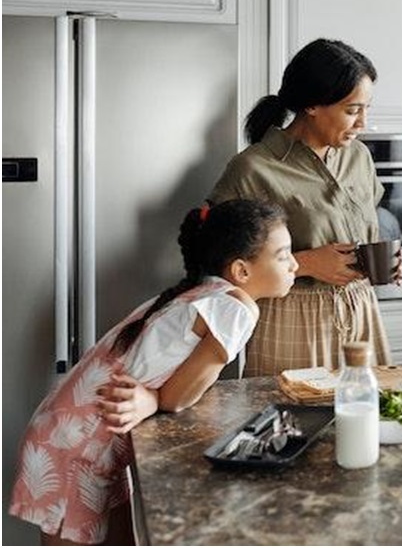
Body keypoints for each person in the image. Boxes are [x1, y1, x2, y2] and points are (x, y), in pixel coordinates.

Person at [8, 199, 297, 545]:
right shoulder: (235, 308)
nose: (295, 264)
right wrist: (155, 398)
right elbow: (177, 398)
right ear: (241, 271)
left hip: (71, 432)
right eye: (283, 255)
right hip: (77, 446)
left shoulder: (204, 291)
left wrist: (151, 398)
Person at [208, 38, 402, 376]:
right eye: (352, 110)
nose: (363, 124)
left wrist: (390, 262)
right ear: (312, 105)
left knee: (371, 418)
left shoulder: (359, 157)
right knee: (294, 423)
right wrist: (305, 264)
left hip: (362, 311)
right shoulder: (253, 168)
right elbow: (218, 266)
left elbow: (368, 227)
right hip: (289, 318)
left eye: (366, 109)